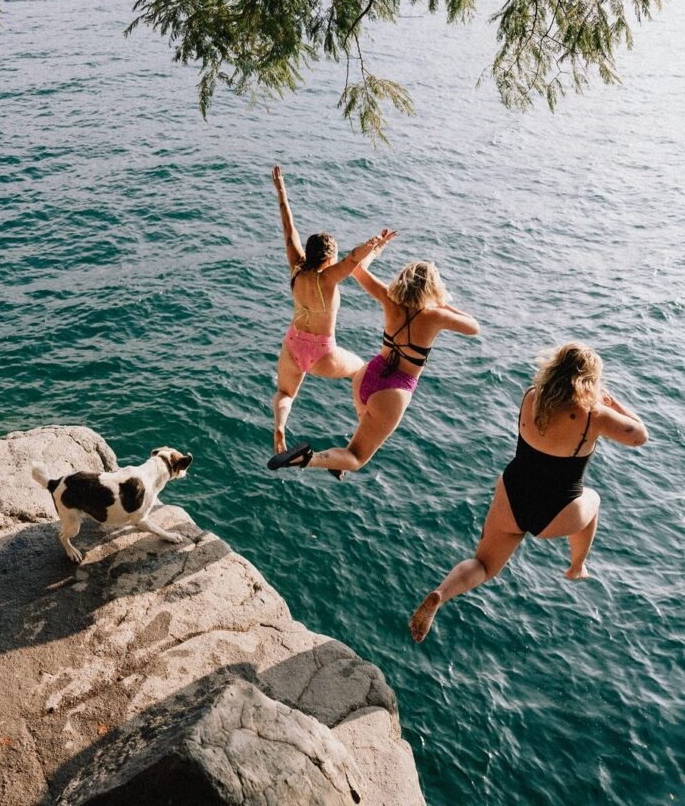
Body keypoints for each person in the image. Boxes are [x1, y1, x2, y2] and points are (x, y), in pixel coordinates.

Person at [409, 342, 648, 643]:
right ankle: (577, 566)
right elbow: (640, 435)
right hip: (557, 511)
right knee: (594, 500)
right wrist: (611, 404)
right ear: (590, 381)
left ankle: (441, 594)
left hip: (512, 496)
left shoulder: (532, 397)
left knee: (482, 565)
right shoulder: (594, 415)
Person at [268, 249, 479, 475]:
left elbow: (357, 270)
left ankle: (338, 463)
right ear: (432, 290)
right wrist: (440, 303)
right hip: (393, 390)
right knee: (357, 458)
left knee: (363, 430)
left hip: (367, 376)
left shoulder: (389, 298)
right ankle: (309, 458)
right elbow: (473, 326)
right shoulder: (436, 317)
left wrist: (376, 249)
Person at [270, 165, 395, 455]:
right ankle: (361, 428)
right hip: (322, 353)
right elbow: (353, 261)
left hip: (292, 344)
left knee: (285, 393)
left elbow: (289, 230)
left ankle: (279, 427)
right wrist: (373, 243)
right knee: (362, 371)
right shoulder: (327, 279)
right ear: (328, 260)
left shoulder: (297, 269)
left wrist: (281, 190)